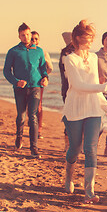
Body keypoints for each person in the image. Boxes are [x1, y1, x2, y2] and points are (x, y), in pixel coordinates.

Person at [62, 20, 107, 204]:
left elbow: (94, 90)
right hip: (74, 109)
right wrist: (104, 87)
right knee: (75, 148)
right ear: (77, 38)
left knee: (90, 149)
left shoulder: (93, 58)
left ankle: (89, 191)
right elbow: (78, 85)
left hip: (92, 110)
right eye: (88, 37)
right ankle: (69, 177)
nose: (91, 41)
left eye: (92, 37)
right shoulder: (69, 59)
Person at [3, 23, 49, 158]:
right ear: (19, 36)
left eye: (28, 34)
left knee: (33, 116)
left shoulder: (39, 51)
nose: (26, 37)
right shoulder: (13, 51)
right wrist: (16, 81)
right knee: (21, 115)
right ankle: (19, 136)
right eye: (23, 35)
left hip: (35, 87)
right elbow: (6, 71)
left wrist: (45, 77)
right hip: (20, 89)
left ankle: (34, 148)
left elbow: (43, 68)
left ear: (31, 34)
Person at [31, 31, 53, 139]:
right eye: (32, 39)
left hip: (39, 83)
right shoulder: (27, 51)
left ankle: (39, 129)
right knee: (29, 107)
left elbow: (50, 67)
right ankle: (33, 126)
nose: (34, 41)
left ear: (39, 40)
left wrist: (43, 77)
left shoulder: (43, 52)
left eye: (36, 39)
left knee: (38, 106)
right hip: (28, 83)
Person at [59, 32, 74, 151]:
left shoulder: (66, 53)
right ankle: (68, 143)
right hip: (68, 89)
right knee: (70, 116)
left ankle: (69, 143)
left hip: (68, 89)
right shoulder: (65, 53)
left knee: (73, 115)